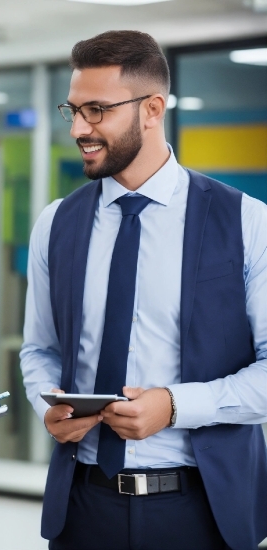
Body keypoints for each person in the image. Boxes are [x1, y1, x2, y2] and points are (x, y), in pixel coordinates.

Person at [20, 30, 267, 550]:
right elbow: (40, 348)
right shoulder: (55, 223)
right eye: (73, 111)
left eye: (96, 110)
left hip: (201, 509)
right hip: (83, 507)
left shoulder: (246, 222)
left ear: (152, 108)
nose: (79, 129)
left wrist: (174, 407)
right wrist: (48, 407)